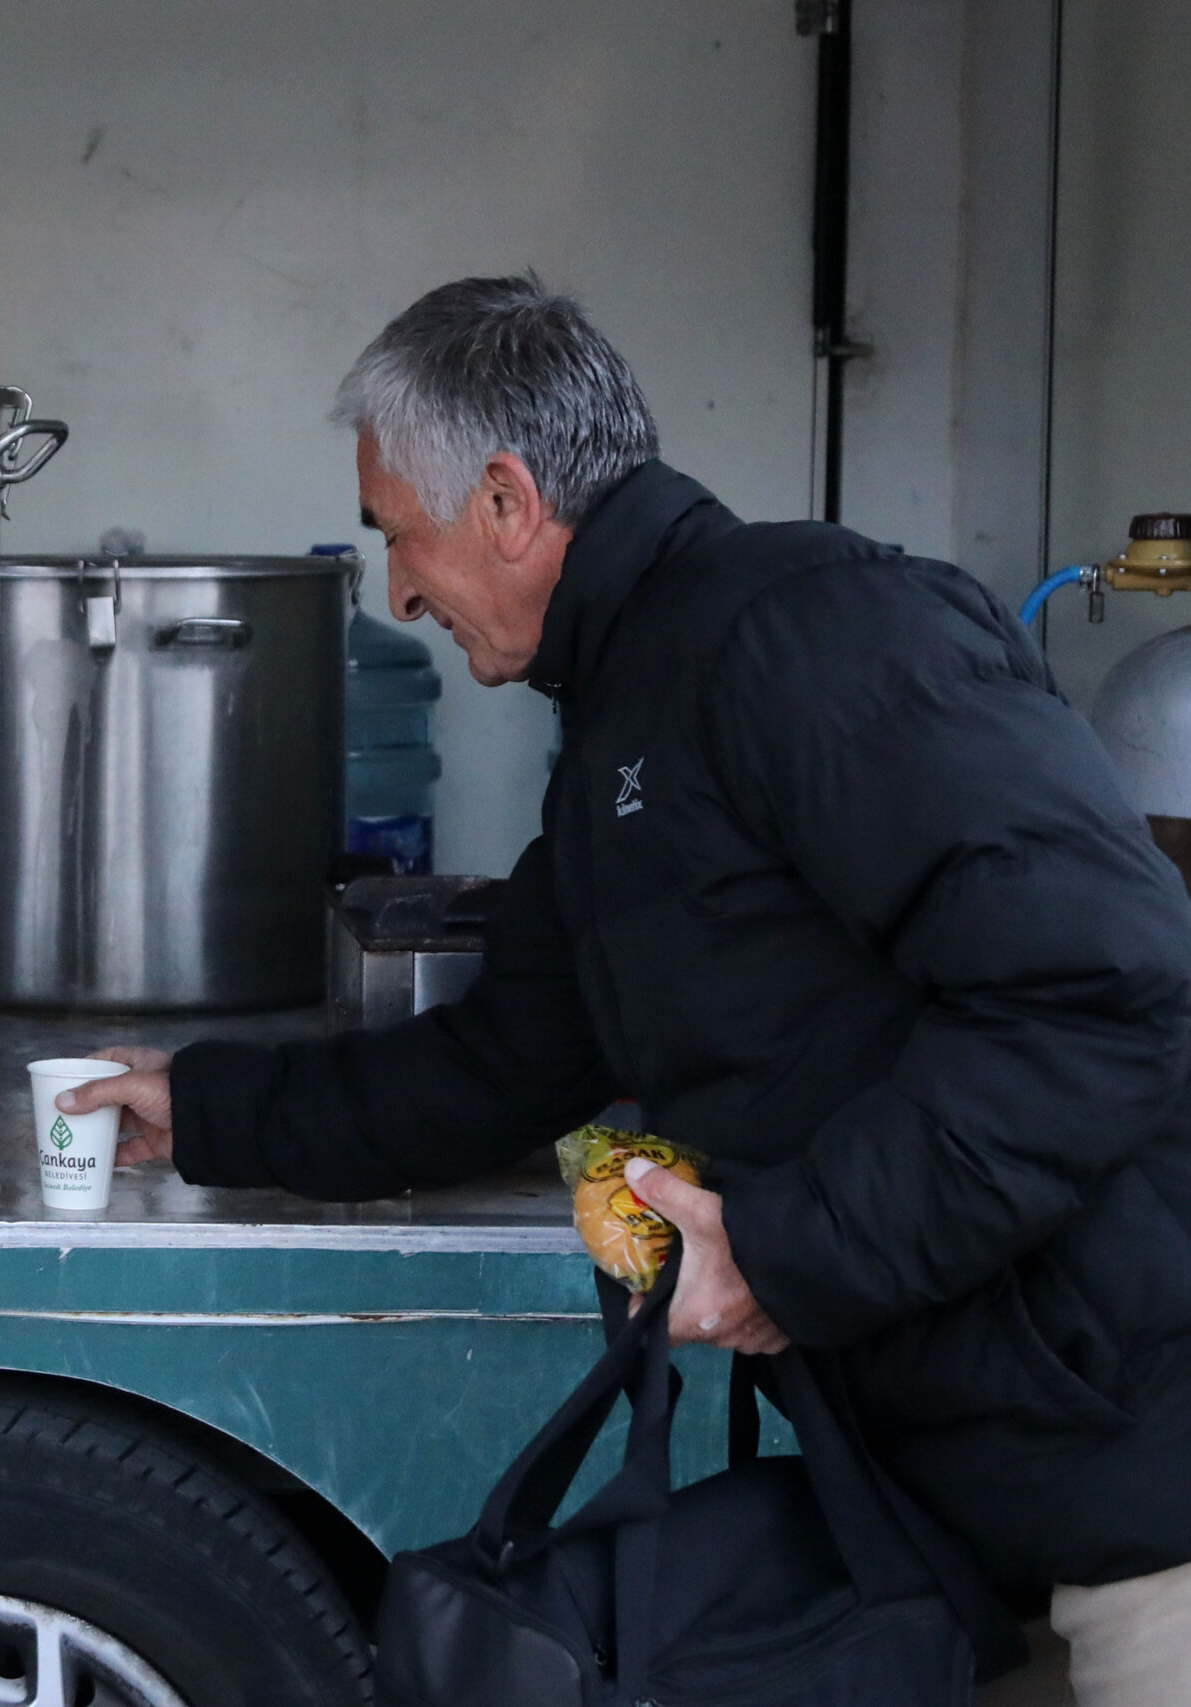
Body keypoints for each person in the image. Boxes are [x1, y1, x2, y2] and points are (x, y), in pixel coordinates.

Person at [62, 275, 1191, 1705]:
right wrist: (207, 1108)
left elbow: (1103, 993)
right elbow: (512, 1059)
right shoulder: (625, 723)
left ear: (508, 501)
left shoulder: (812, 637)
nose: (400, 590)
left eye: (400, 537)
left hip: (1146, 1502)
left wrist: (793, 1251)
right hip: (965, 1507)